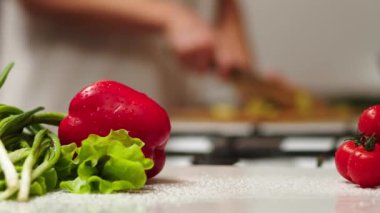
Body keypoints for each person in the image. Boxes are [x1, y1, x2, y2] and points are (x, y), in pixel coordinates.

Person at [0, 0, 254, 112]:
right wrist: (169, 15)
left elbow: (224, 8)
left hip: (166, 115)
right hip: (58, 102)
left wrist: (249, 80)